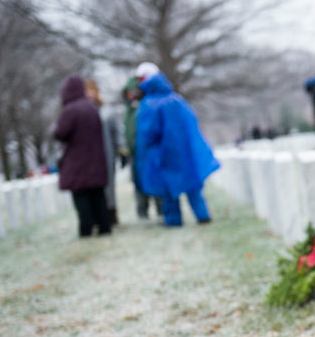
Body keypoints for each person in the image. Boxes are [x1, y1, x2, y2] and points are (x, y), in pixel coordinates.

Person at [135, 69, 219, 226]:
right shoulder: (177, 100)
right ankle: (203, 215)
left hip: (163, 154)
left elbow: (148, 132)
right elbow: (192, 124)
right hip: (184, 152)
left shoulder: (150, 104)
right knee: (192, 185)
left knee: (169, 190)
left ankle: (173, 220)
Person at [53, 76, 111, 237]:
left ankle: (86, 229)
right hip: (97, 159)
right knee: (98, 196)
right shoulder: (92, 108)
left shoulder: (70, 110)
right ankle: (104, 226)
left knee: (81, 197)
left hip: (77, 162)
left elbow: (60, 133)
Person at [124, 68, 163, 219]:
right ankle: (142, 212)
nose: (130, 95)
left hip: (148, 151)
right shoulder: (129, 110)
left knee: (154, 180)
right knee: (138, 183)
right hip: (135, 153)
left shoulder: (146, 106)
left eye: (132, 91)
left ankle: (161, 209)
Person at [84, 79, 123, 225]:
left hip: (106, 155)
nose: (88, 93)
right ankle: (96, 218)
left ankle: (111, 214)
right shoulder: (81, 112)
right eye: (86, 90)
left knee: (109, 188)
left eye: (91, 90)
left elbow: (117, 132)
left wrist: (121, 149)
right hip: (89, 158)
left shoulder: (106, 112)